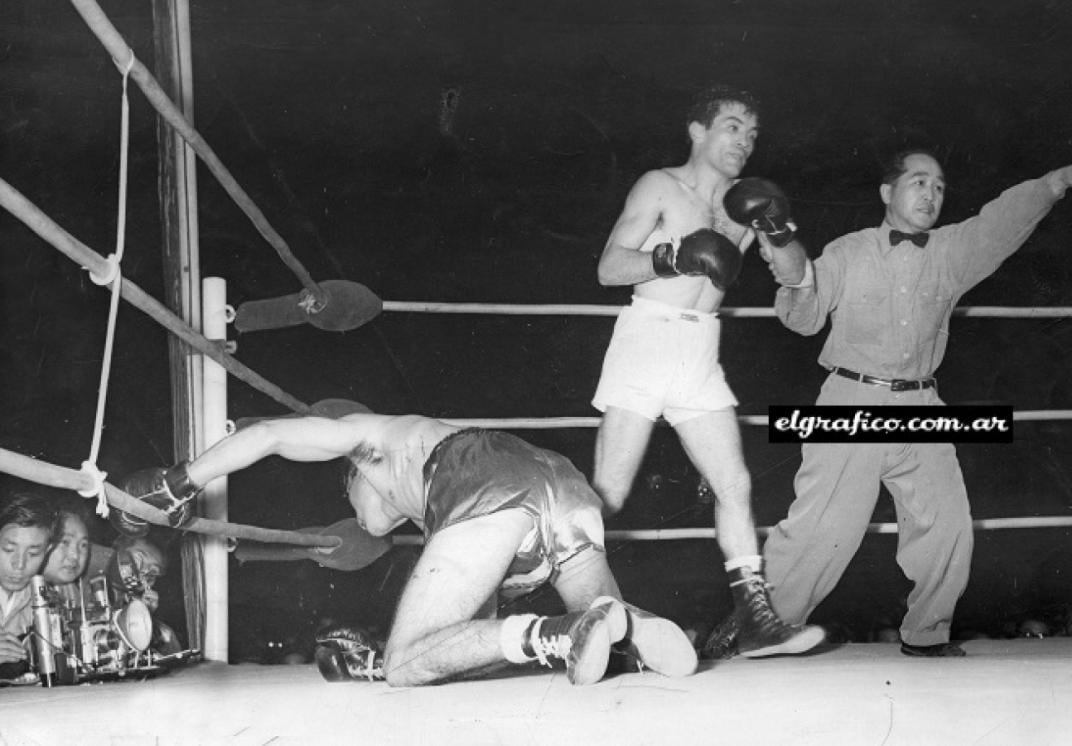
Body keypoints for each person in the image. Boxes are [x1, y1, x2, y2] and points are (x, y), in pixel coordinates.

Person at [761, 144, 1072, 657]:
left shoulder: (952, 252)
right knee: (823, 529)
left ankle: (926, 635)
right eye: (919, 182)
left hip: (922, 403)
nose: (931, 193)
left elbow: (1002, 220)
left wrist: (1060, 179)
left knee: (948, 524)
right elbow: (803, 317)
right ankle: (763, 624)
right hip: (851, 400)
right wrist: (792, 278)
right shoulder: (848, 251)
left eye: (939, 186)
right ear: (888, 192)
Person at [124, 413, 697, 687]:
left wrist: (182, 480)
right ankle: (645, 630)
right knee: (606, 616)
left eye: (350, 501)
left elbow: (272, 435)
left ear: (354, 473)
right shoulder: (424, 487)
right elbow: (471, 632)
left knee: (403, 662)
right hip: (560, 482)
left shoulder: (369, 440)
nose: (362, 520)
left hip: (486, 479)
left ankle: (560, 635)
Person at [591, 84, 823, 658]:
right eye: (732, 126)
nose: (744, 141)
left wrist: (776, 227)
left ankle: (756, 622)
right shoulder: (660, 185)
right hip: (647, 335)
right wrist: (670, 256)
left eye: (752, 133)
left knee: (735, 484)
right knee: (610, 495)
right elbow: (608, 268)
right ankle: (534, 588)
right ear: (697, 130)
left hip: (700, 349)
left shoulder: (747, 204)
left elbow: (797, 277)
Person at [0, 490, 58, 676]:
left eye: (33, 554)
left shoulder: (40, 601)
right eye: (9, 550)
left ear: (48, 551)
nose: (19, 565)